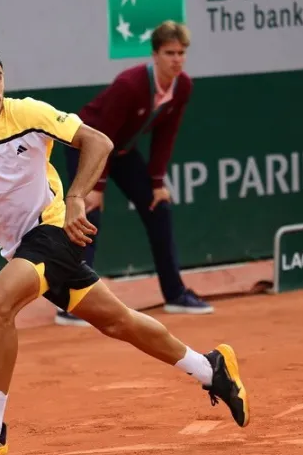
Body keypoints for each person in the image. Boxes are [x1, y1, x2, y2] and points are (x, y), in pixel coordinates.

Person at [0, 44, 249, 455]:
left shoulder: (27, 113)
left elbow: (98, 141)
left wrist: (77, 197)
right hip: (20, 246)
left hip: (53, 228)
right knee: (119, 321)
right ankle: (211, 369)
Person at [56, 21, 213, 328]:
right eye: (170, 53)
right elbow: (102, 135)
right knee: (87, 214)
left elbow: (166, 135)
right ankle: (72, 301)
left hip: (122, 151)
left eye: (181, 53)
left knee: (159, 207)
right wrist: (96, 187)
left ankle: (175, 294)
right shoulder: (130, 84)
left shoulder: (183, 87)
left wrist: (156, 183)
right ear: (155, 54)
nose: (177, 59)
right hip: (86, 145)